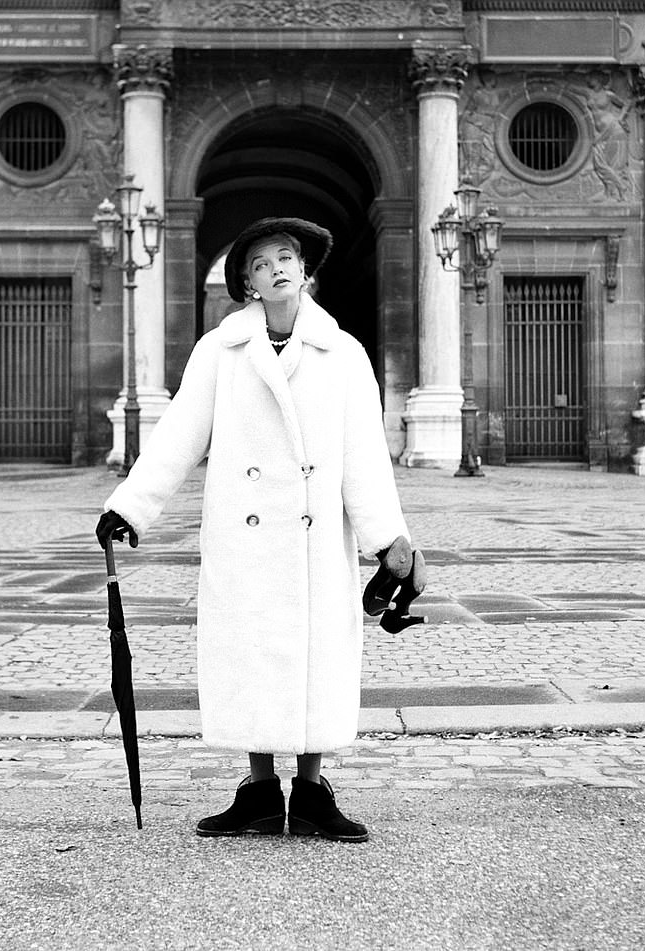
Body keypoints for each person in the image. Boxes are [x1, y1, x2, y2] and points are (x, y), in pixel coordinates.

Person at [96, 217, 426, 842]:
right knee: (249, 654)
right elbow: (180, 434)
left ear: (306, 272)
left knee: (314, 655)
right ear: (246, 283)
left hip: (315, 538)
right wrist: (131, 506)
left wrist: (389, 540)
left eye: (287, 257)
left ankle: (310, 790)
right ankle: (256, 790)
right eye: (260, 262)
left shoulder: (344, 353)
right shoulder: (219, 351)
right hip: (242, 539)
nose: (276, 268)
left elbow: (364, 455)